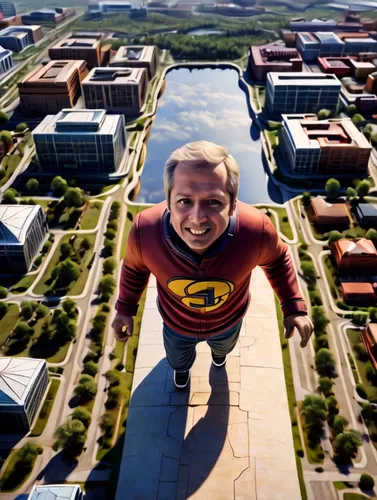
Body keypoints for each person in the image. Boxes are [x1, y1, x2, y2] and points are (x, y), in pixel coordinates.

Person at [112, 141, 313, 389]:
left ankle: (219, 358)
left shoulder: (255, 231)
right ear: (168, 200)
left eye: (214, 202)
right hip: (177, 325)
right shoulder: (146, 232)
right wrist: (125, 309)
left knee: (223, 349)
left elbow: (277, 259)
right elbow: (134, 268)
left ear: (233, 203)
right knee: (178, 359)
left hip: (228, 322)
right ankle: (182, 371)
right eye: (184, 201)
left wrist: (293, 306)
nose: (197, 218)